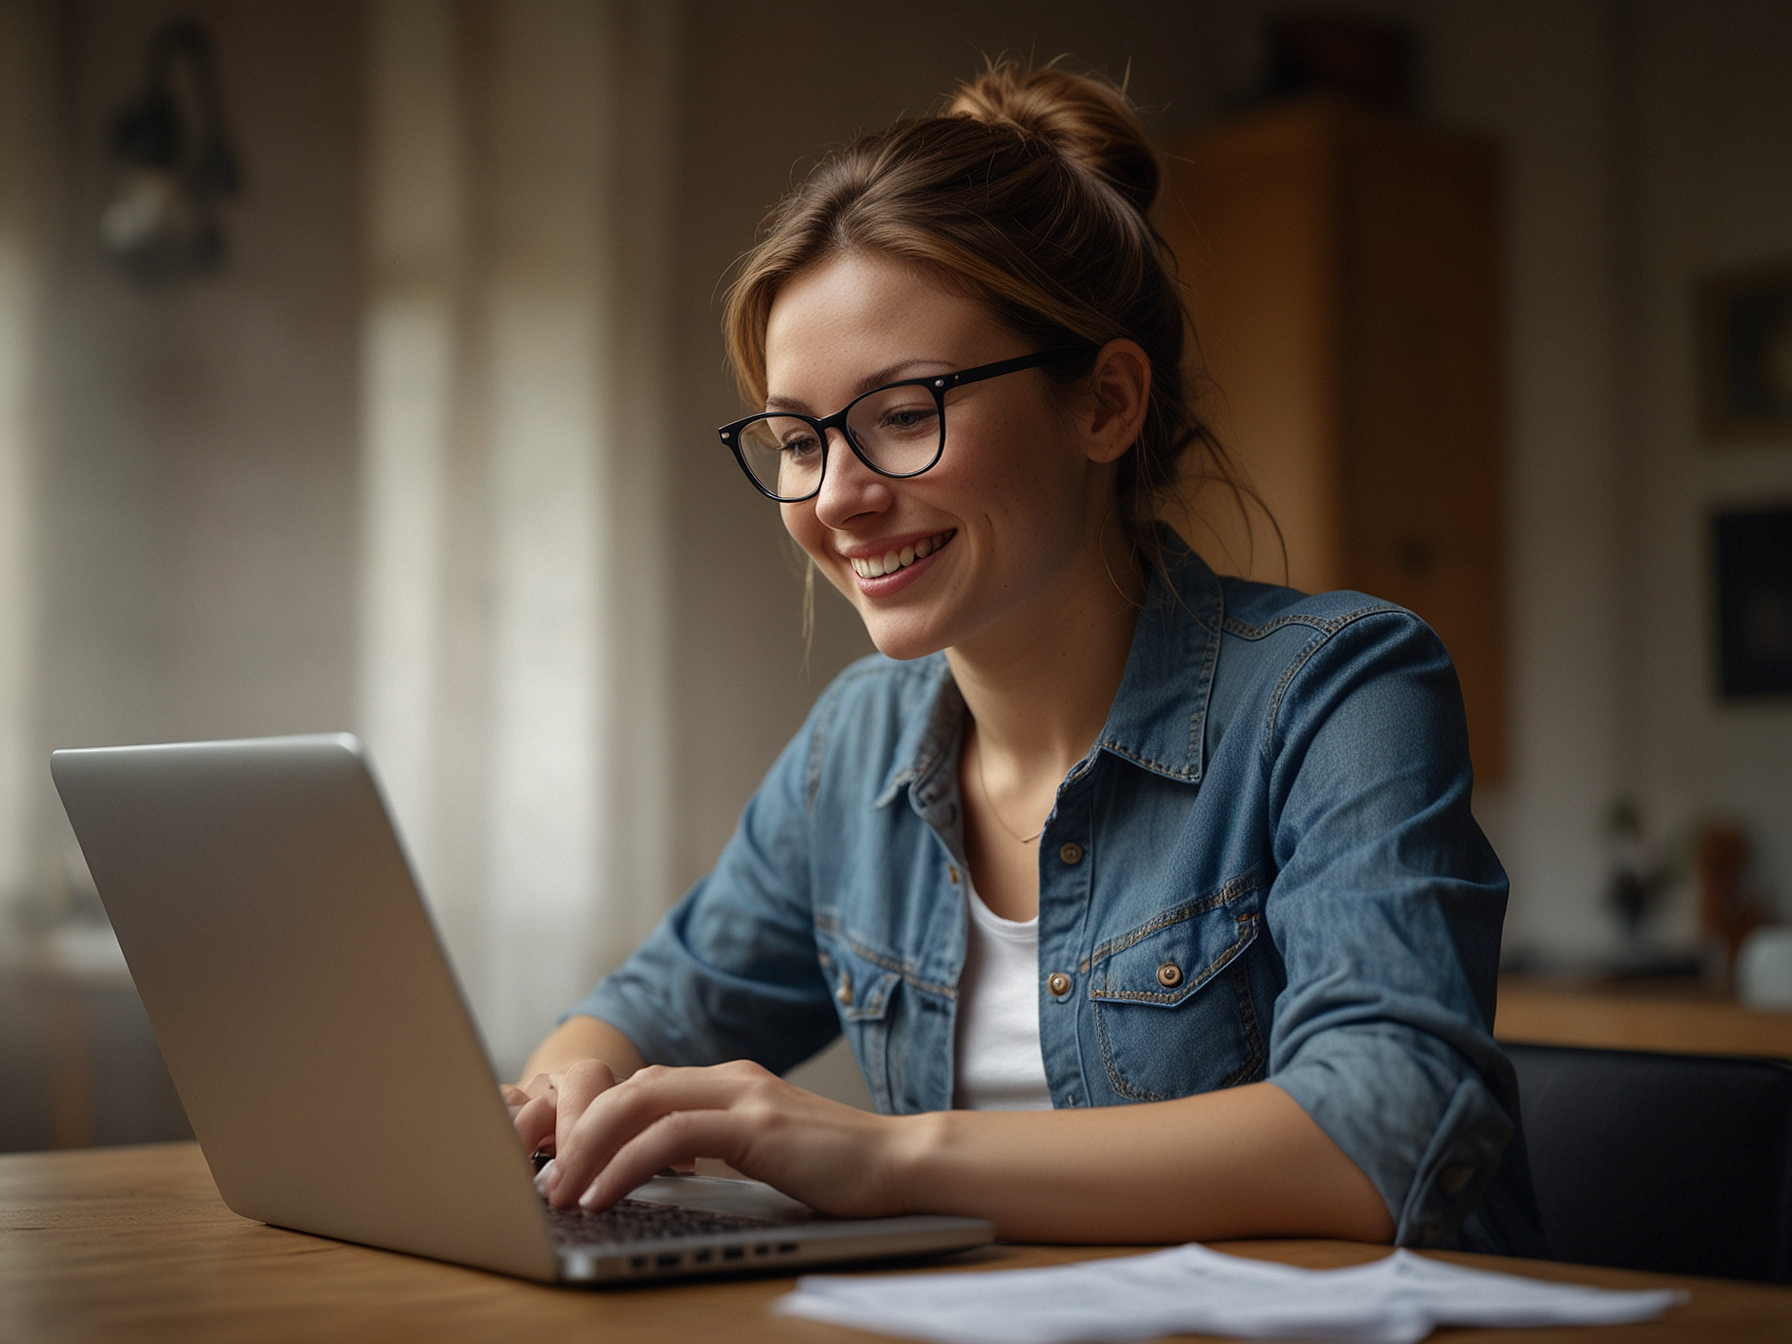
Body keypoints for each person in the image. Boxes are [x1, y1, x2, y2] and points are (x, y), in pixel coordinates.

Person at [506, 61, 1542, 1255]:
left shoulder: (1341, 691)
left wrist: (886, 1157)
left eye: (902, 414)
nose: (835, 498)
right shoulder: (857, 746)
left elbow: (1387, 1133)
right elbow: (635, 1016)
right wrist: (566, 1098)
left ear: (1104, 404)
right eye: (797, 440)